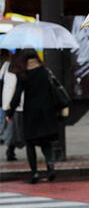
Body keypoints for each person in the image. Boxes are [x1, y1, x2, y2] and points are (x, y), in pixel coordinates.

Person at [8, 49, 59, 184]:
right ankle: (50, 166)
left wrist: (10, 112)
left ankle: (35, 173)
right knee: (46, 142)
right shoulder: (45, 71)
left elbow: (17, 95)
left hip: (31, 113)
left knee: (30, 144)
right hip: (46, 112)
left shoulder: (24, 74)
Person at [1, 51, 25, 161]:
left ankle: (10, 150)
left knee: (13, 128)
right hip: (16, 104)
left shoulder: (6, 67)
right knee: (14, 129)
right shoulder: (21, 69)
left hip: (8, 102)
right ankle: (10, 150)